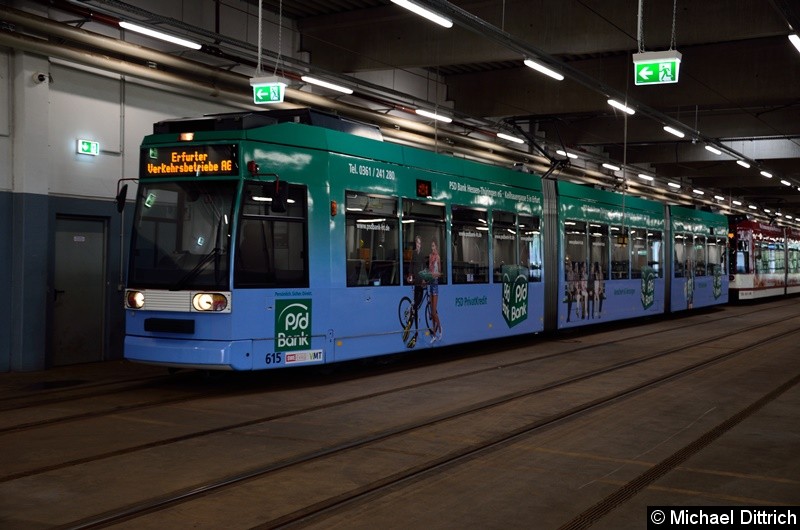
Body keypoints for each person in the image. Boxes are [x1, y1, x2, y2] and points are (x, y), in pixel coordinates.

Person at [403, 235, 427, 348]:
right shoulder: (414, 253)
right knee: (416, 307)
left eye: (419, 243)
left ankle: (414, 327)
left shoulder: (422, 254)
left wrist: (424, 278)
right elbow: (411, 265)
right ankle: (414, 329)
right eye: (417, 243)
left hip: (420, 282)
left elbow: (424, 267)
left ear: (421, 244)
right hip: (415, 282)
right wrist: (410, 275)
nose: (418, 245)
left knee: (416, 305)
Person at [428, 239, 443, 342]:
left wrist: (434, 275)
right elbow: (430, 270)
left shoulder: (437, 257)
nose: (432, 248)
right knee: (431, 312)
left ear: (436, 247)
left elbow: (439, 272)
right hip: (431, 283)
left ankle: (440, 329)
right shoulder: (430, 256)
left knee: (434, 312)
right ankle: (434, 333)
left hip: (435, 284)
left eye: (433, 246)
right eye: (431, 246)